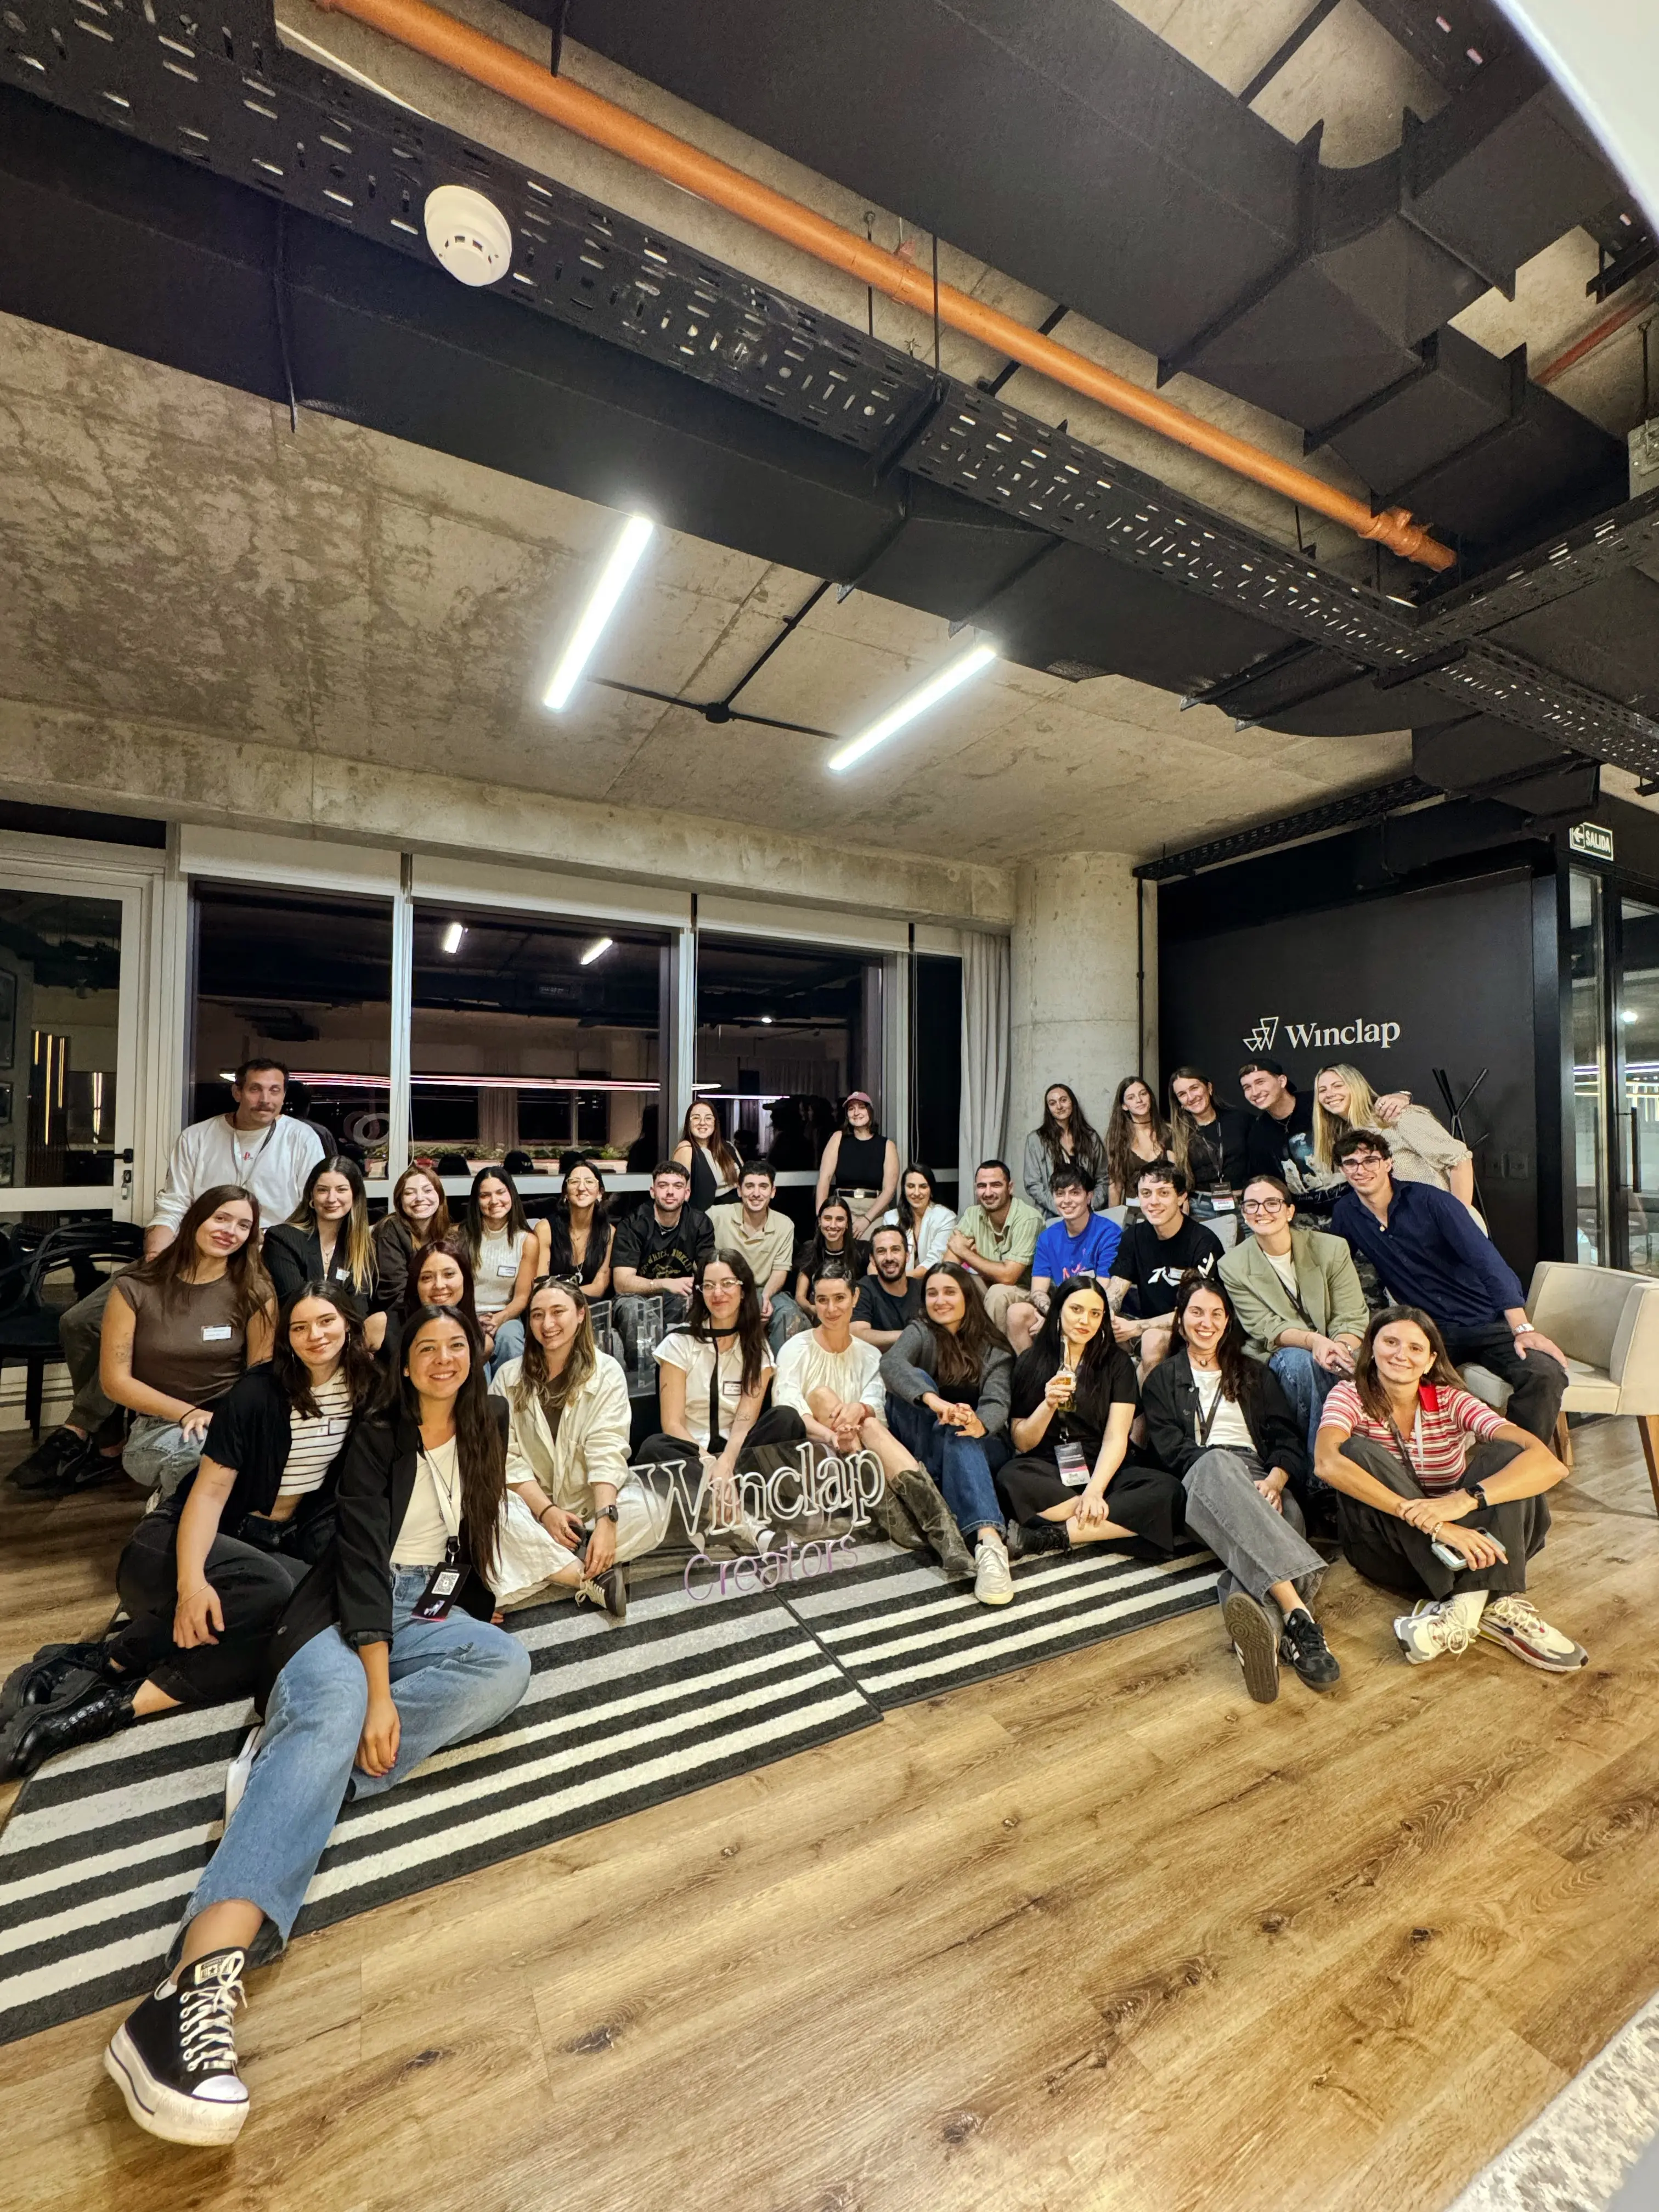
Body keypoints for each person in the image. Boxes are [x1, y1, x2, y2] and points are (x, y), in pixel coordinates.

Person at [104, 1304, 531, 2146]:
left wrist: (481, 1605)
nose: (443, 1359)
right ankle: (185, 1990)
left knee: (506, 1667)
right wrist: (378, 1693)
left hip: (428, 1607)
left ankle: (294, 1772)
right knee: (340, 1710)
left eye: (457, 1345)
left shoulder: (489, 1415)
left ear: (475, 1354)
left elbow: (473, 1522)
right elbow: (362, 1562)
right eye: (426, 1348)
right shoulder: (377, 1430)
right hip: (340, 1607)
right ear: (403, 1363)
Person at [2, 1284, 377, 1775]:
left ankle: (107, 1703)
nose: (315, 1336)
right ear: (286, 1337)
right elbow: (208, 1495)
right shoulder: (257, 1393)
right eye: (300, 1327)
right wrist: (192, 1584)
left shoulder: (367, 1388)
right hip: (175, 1542)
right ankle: (108, 1658)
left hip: (264, 1548)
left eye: (326, 1321)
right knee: (270, 1592)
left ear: (349, 1323)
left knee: (296, 1623)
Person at [14, 1058, 321, 1496]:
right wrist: (158, 1257)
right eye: (256, 1089)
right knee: (80, 1321)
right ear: (237, 1091)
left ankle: (81, 1431)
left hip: (262, 1253)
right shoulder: (198, 1137)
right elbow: (174, 1204)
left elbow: (307, 1211)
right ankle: (108, 1438)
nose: (266, 1099)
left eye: (275, 1091)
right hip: (188, 1250)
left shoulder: (301, 1138)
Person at [1315, 1305, 1583, 1671]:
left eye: (1415, 1348)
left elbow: (1550, 1465)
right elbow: (1326, 1463)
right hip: (1391, 1549)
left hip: (1465, 1548)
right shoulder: (1350, 1395)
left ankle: (1461, 1613)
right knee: (1356, 1451)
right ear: (1371, 1349)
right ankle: (1491, 1596)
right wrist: (1437, 1525)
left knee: (1510, 1454)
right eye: (1391, 1342)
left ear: (1430, 1361)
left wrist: (1464, 1501)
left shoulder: (1450, 1399)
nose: (1401, 1355)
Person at [1142, 1275, 1339, 1703]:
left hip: (1262, 1475)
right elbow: (1171, 1452)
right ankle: (1299, 1614)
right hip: (1203, 1479)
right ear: (1181, 1320)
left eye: (1217, 1313)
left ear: (1228, 1321)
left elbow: (1285, 1436)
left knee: (1289, 1516)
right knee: (1220, 1464)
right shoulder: (1162, 1380)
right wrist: (1231, 1476)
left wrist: (1276, 1480)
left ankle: (1267, 1636)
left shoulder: (1253, 1373)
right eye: (1197, 1312)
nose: (1207, 1322)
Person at [1328, 1128, 1570, 1443]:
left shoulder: (1432, 1201)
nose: (1361, 1169)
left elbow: (1487, 1261)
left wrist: (1522, 1328)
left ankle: (1519, 1459)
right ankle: (1411, 1461)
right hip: (1428, 1329)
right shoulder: (1347, 1213)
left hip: (1486, 1320)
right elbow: (1336, 1267)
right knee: (1379, 1378)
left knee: (1545, 1373)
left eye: (1370, 1160)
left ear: (1388, 1163)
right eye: (1351, 1163)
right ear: (1342, 1170)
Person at [491, 1276, 670, 1621]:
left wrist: (606, 1521)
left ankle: (546, 1566)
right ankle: (586, 1576)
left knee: (652, 1511)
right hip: (533, 1510)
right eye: (538, 1315)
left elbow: (607, 1448)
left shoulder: (607, 1372)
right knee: (496, 1516)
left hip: (589, 1508)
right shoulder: (508, 1378)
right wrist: (547, 1512)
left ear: (580, 1314)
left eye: (558, 1312)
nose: (548, 1324)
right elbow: (505, 1458)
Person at [100, 1187, 277, 1498]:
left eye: (243, 1226)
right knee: (204, 1458)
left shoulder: (255, 1291)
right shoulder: (135, 1288)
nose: (230, 1231)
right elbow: (114, 1382)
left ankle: (176, 1516)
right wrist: (188, 1414)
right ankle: (170, 1520)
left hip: (229, 1419)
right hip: (159, 1424)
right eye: (221, 1218)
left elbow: (260, 1376)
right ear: (196, 1219)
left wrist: (239, 1425)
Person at [997, 1274, 1186, 1562]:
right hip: (1048, 1466)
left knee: (1169, 1491)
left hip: (1104, 1467)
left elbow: (1116, 1438)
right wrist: (1048, 1405)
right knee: (1009, 1477)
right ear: (1059, 1310)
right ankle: (1110, 1524)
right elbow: (1022, 1442)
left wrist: (1095, 1492)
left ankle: (1052, 1535)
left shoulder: (1116, 1363)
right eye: (1076, 1310)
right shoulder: (1031, 1361)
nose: (1085, 1320)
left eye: (1095, 1313)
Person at [636, 1252, 805, 1547]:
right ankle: (748, 1526)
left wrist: (726, 1463)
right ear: (700, 1292)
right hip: (693, 1455)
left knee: (786, 1419)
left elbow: (744, 1422)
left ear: (743, 1290)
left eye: (727, 1283)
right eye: (709, 1285)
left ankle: (709, 1518)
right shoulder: (679, 1343)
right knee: (654, 1448)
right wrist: (709, 1463)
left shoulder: (757, 1347)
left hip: (738, 1458)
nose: (718, 1293)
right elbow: (672, 1423)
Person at [880, 1263, 1016, 1607]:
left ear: (967, 1296)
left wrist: (977, 1423)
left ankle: (989, 1546)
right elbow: (891, 1364)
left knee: (960, 1431)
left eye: (949, 1292)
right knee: (921, 1382)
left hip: (979, 1443)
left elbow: (998, 1402)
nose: (940, 1300)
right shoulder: (920, 1331)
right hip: (922, 1437)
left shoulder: (993, 1347)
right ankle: (986, 1535)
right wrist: (934, 1401)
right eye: (932, 1293)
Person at [1220, 1172, 1368, 1465]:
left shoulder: (1331, 1248)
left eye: (1272, 1203)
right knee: (1302, 1363)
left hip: (1340, 1342)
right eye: (1252, 1205)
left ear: (1290, 1211)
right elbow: (1266, 1327)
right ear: (1244, 1214)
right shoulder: (1232, 1266)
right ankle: (1321, 1469)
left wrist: (1340, 1348)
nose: (1261, 1211)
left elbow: (1350, 1315)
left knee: (1364, 1361)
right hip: (1282, 1351)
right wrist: (1315, 1343)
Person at [1107, 1163, 1223, 1374]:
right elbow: (1116, 1290)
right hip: (1149, 1324)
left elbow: (1199, 1311)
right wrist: (1106, 1318)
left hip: (1196, 1329)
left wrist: (1138, 1327)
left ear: (1181, 1197)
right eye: (1146, 1193)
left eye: (1163, 1193)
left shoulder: (1204, 1242)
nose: (1153, 1202)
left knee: (1153, 1340)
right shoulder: (1134, 1236)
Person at [1312, 1064, 1475, 1211]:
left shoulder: (1397, 1117)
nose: (1330, 1094)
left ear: (1356, 1086)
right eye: (1322, 1090)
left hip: (1435, 1218)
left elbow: (1459, 1159)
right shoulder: (1343, 1137)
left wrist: (1460, 1218)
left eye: (1338, 1086)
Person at [264, 1156, 385, 1348]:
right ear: (311, 1196)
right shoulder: (282, 1239)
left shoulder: (362, 1247)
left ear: (355, 1195)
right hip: (297, 1346)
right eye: (323, 1190)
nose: (331, 1199)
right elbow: (297, 1304)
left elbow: (359, 1309)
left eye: (341, 1190)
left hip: (344, 1347)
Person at [610, 1159, 715, 1341]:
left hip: (677, 1297)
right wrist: (665, 1284)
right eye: (663, 1185)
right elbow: (622, 1284)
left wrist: (698, 1285)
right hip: (634, 1298)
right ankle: (646, 1361)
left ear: (687, 1193)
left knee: (696, 1303)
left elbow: (709, 1272)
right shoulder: (633, 1224)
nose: (670, 1192)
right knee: (634, 1310)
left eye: (678, 1186)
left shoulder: (699, 1223)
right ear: (653, 1191)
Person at [946, 1159, 1045, 1339]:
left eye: (996, 1185)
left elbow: (1009, 1277)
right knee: (952, 1283)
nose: (988, 1192)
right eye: (982, 1186)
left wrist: (966, 1254)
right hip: (990, 1284)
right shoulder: (972, 1214)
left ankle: (995, 1353)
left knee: (998, 1294)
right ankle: (952, 1349)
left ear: (1010, 1187)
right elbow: (947, 1267)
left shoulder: (1028, 1219)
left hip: (1028, 1291)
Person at [713, 1160, 804, 1351]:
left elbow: (780, 1271)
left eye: (763, 1187)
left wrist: (766, 1297)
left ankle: (780, 1368)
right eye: (750, 1186)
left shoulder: (785, 1225)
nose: (756, 1193)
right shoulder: (716, 1216)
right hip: (726, 1288)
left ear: (773, 1192)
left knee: (789, 1312)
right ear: (739, 1191)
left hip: (764, 1289)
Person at [462, 1165, 539, 1377]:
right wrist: (473, 1320)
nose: (494, 1201)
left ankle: (513, 1396)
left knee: (510, 1339)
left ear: (511, 1194)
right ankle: (482, 1398)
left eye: (500, 1192)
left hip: (507, 1315)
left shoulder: (527, 1241)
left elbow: (522, 1297)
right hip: (467, 1315)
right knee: (476, 1349)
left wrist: (499, 1319)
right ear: (477, 1201)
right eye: (485, 1195)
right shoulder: (461, 1237)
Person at [1239, 1058, 1332, 1211]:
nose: (1255, 1092)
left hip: (1352, 1205)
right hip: (1303, 1216)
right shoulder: (1258, 1133)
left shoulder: (1318, 1103)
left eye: (1261, 1082)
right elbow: (1267, 1184)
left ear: (1282, 1081)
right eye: (1247, 1087)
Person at [815, 1091, 899, 1239]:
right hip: (841, 1206)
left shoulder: (887, 1145)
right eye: (851, 1109)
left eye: (861, 1107)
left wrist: (866, 1220)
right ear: (847, 1115)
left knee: (875, 1244)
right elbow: (824, 1179)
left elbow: (889, 1190)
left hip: (874, 1211)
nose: (856, 1112)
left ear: (870, 1112)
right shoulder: (838, 1138)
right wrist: (822, 1215)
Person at [370, 1164, 452, 1314]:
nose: (420, 1198)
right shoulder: (389, 1230)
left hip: (441, 1311)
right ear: (400, 1201)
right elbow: (394, 1293)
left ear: (439, 1196)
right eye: (409, 1193)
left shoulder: (448, 1233)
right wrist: (437, 1315)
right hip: (402, 1316)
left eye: (427, 1190)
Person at [1023, 1083, 1109, 1216]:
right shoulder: (1036, 1140)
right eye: (1053, 1103)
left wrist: (1091, 1204)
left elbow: (1103, 1177)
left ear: (1072, 1102)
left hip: (1088, 1214)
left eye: (1063, 1100)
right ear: (1048, 1109)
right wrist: (1062, 1207)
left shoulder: (1090, 1137)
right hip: (1052, 1215)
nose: (1059, 1106)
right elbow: (1033, 1184)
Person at [1167, 1066, 1253, 1197]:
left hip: (1244, 1200)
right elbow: (1175, 1182)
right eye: (1182, 1094)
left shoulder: (1240, 1119)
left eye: (1194, 1088)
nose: (1191, 1097)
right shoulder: (1176, 1136)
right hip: (1199, 1204)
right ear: (1180, 1103)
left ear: (1209, 1088)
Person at [538, 1158, 614, 1301]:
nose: (581, 1188)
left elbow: (599, 1287)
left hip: (591, 1306)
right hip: (553, 1304)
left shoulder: (609, 1232)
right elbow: (541, 1284)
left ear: (600, 1193)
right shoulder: (545, 1229)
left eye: (589, 1182)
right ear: (566, 1193)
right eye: (574, 1182)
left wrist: (563, 1293)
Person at [792, 1196, 870, 1321]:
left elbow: (874, 1290)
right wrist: (813, 1309)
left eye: (840, 1219)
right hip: (821, 1315)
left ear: (847, 1224)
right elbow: (800, 1297)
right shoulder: (809, 1250)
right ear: (819, 1221)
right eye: (828, 1219)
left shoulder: (863, 1250)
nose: (833, 1225)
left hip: (856, 1316)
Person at [1105, 1075, 1174, 1207]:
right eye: (1131, 1098)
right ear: (1124, 1106)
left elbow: (1177, 1177)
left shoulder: (1169, 1132)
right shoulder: (1118, 1138)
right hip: (1135, 1211)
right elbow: (1115, 1186)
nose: (1139, 1100)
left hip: (1166, 1208)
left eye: (1143, 1094)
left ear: (1150, 1097)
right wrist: (1113, 1218)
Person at [851, 1224, 924, 1349]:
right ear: (872, 1259)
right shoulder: (863, 1289)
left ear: (907, 1256)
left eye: (895, 1250)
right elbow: (857, 1334)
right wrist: (912, 1335)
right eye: (881, 1251)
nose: (889, 1258)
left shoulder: (922, 1289)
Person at [674, 1099, 744, 1212]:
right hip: (708, 1218)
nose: (702, 1123)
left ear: (715, 1123)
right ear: (688, 1123)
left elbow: (745, 1181)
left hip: (738, 1215)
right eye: (696, 1118)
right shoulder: (686, 1149)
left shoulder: (728, 1147)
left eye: (708, 1118)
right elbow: (681, 1196)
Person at [895, 1162, 957, 1278]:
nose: (916, 1193)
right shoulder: (891, 1217)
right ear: (904, 1189)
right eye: (911, 1186)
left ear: (931, 1190)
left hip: (933, 1280)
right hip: (897, 1282)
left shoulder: (945, 1217)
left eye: (923, 1187)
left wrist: (899, 1278)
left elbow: (934, 1262)